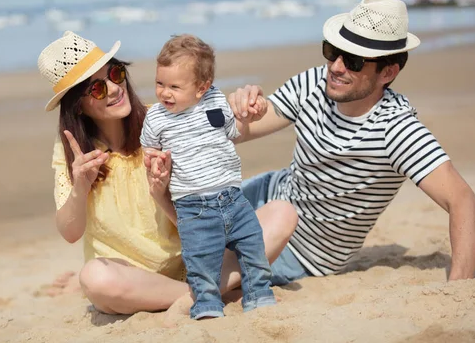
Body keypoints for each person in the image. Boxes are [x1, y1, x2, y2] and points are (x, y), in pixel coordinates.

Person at [228, 0, 475, 283]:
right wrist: (239, 109)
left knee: (193, 275)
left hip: (299, 253)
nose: (336, 66)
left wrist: (459, 288)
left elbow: (466, 203)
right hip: (265, 194)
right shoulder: (314, 83)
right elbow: (240, 131)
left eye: (353, 60)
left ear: (387, 73)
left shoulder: (395, 129)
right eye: (332, 51)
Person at [37, 31, 297, 315]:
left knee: (282, 213)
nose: (113, 88)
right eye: (97, 89)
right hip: (133, 278)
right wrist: (81, 187)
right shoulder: (75, 154)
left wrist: (249, 102)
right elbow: (70, 232)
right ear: (79, 106)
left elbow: (246, 126)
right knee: (95, 278)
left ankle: (199, 292)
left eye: (115, 73)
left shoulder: (167, 119)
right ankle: (209, 293)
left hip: (195, 259)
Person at [140, 34, 276, 320]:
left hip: (232, 197)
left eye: (175, 87)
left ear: (202, 87)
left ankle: (259, 293)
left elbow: (233, 131)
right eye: (160, 83)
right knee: (201, 259)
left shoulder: (215, 100)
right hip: (193, 206)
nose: (165, 93)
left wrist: (254, 113)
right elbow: (149, 150)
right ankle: (207, 303)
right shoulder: (156, 118)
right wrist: (153, 162)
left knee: (253, 245)